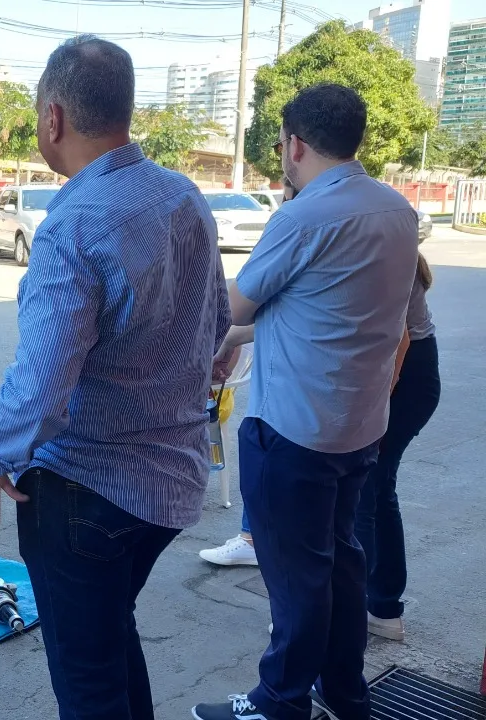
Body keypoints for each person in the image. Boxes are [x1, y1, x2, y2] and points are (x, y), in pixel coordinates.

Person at [0, 35, 231, 718]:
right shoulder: (183, 196)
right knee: (110, 643)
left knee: (88, 688)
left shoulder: (73, 224)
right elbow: (216, 324)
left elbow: (42, 390)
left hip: (86, 499)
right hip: (169, 485)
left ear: (53, 118)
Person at [192, 83, 418, 720]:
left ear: (293, 143)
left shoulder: (305, 215)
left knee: (296, 577)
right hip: (357, 427)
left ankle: (279, 701)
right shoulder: (398, 210)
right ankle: (344, 692)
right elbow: (321, 309)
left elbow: (234, 304)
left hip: (291, 430)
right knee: (341, 562)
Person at [201, 177, 298, 569]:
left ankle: (305, 621)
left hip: (304, 395)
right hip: (352, 396)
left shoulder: (300, 223)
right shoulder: (377, 216)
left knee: (263, 451)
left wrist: (226, 335)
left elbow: (238, 306)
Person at [354, 246, 440, 642]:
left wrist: (378, 399)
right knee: (376, 488)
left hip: (404, 373)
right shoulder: (389, 238)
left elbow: (401, 339)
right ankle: (382, 607)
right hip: (409, 372)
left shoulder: (384, 250)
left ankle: (353, 613)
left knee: (366, 491)